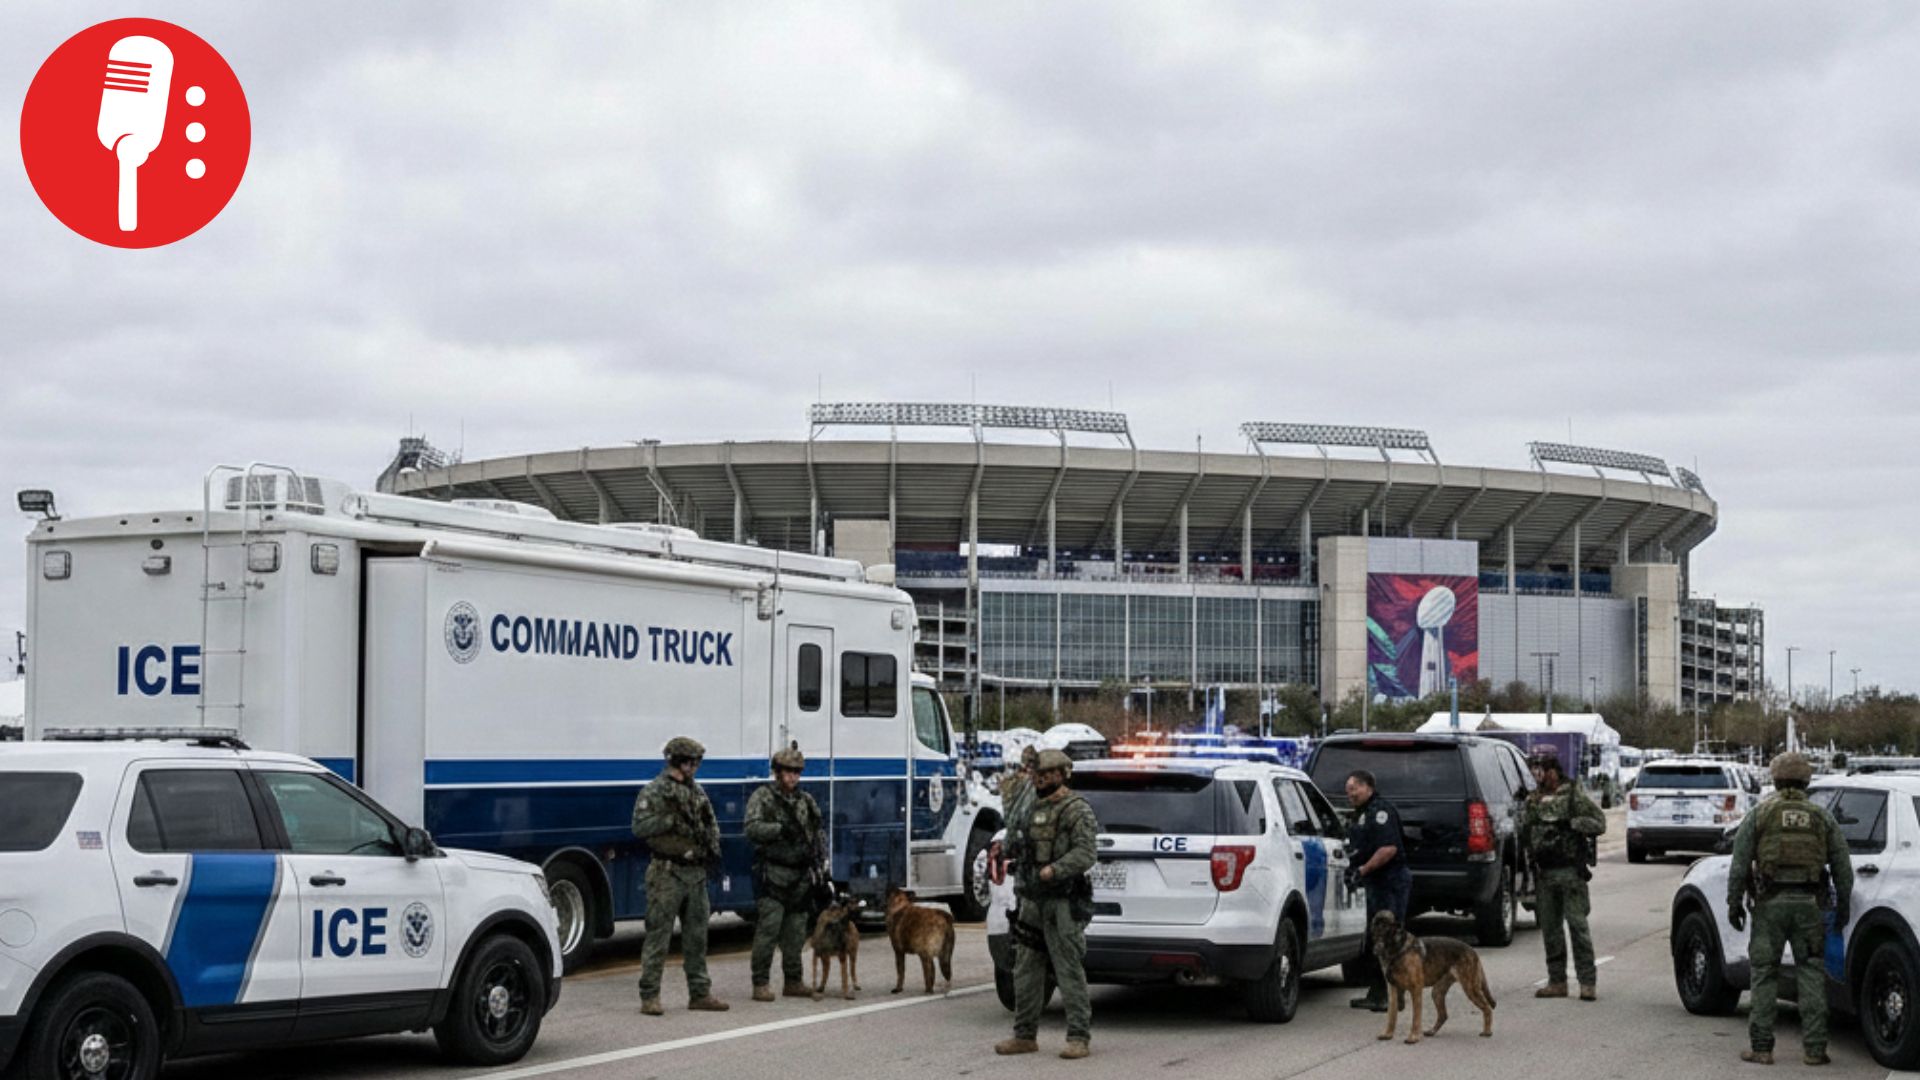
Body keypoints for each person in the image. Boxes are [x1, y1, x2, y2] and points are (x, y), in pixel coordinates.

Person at [1726, 751, 1852, 1067]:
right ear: (1807, 781)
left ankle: (1762, 1048)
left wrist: (1734, 902)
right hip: (1810, 907)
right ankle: (1815, 1049)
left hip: (1769, 906)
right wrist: (1844, 904)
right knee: (1811, 973)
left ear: (1777, 779)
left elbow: (1740, 862)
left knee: (1764, 975)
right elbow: (1842, 865)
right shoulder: (1822, 817)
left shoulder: (1761, 814)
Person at [995, 749, 1100, 1060]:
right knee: (1025, 969)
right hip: (1031, 900)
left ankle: (1079, 1036)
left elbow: (1085, 853)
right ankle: (1024, 1035)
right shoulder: (1028, 809)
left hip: (1062, 902)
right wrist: (1005, 846)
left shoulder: (1075, 809)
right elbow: (1018, 843)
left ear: (1060, 775)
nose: (1038, 780)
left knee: (1068, 968)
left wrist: (1055, 869)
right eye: (1036, 775)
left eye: (1045, 774)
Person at [631, 735, 730, 1015]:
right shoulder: (655, 791)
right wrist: (671, 821)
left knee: (697, 937)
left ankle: (700, 993)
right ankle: (650, 995)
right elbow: (640, 826)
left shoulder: (697, 792)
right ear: (679, 762)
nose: (696, 767)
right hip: (667, 872)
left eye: (697, 762)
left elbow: (710, 824)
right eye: (692, 762)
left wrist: (710, 847)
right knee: (658, 936)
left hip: (695, 873)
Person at [1521, 750, 1607, 1001]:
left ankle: (1587, 982)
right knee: (1550, 930)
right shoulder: (1533, 800)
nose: (1537, 775)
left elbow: (1599, 822)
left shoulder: (1572, 796)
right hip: (1544, 873)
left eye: (1541, 769)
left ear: (1552, 770)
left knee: (1578, 927)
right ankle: (1557, 981)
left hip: (1570, 872)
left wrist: (1571, 823)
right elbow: (1526, 832)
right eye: (1534, 770)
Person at [744, 742, 826, 1002]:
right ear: (777, 773)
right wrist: (778, 829)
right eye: (787, 772)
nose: (792, 777)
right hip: (773, 874)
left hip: (800, 876)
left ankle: (793, 981)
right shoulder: (763, 797)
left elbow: (817, 831)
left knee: (796, 933)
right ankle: (760, 982)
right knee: (768, 931)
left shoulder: (805, 801)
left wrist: (820, 861)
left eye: (796, 772)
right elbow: (751, 828)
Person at [1345, 768, 1411, 1012]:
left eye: (1354, 789)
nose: (1350, 794)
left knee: (1390, 939)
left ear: (1368, 787)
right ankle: (1379, 992)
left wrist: (1361, 871)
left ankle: (1393, 994)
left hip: (1389, 882)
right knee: (1378, 938)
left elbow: (1388, 849)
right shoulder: (1361, 813)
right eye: (1348, 791)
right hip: (1377, 883)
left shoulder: (1380, 812)